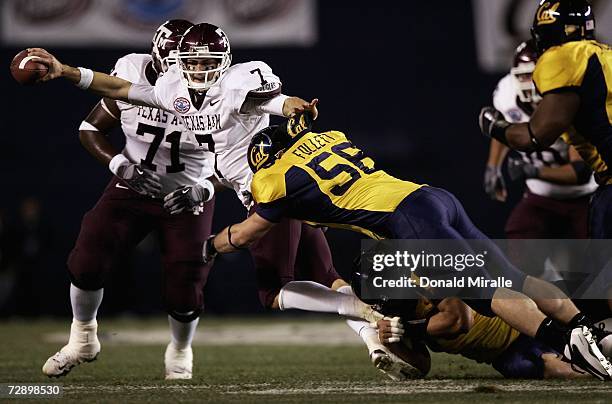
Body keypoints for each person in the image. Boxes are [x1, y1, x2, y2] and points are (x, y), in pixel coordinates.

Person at [27, 24, 402, 379]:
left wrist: (291, 106)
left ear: (223, 62)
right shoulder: (174, 90)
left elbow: (270, 100)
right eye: (192, 63)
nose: (200, 70)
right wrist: (65, 71)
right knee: (324, 274)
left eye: (207, 63)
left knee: (271, 290)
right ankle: (374, 334)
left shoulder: (238, 82)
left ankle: (371, 307)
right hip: (272, 190)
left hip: (273, 194)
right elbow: (124, 90)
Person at [203, 111, 611, 380]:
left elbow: (246, 234)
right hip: (432, 198)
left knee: (488, 295)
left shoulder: (271, 178)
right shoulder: (328, 138)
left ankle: (569, 343)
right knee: (516, 279)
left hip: (408, 221)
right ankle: (585, 330)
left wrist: (212, 245)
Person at [41, 20, 218, 380]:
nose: (191, 76)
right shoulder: (133, 72)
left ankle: (181, 349)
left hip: (187, 195)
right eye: (183, 67)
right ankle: (82, 338)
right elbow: (90, 128)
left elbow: (236, 161)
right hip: (131, 188)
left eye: (196, 66)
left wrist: (203, 188)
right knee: (88, 255)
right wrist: (121, 165)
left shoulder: (218, 92)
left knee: (186, 281)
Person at [478, 0, 612, 310]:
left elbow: (537, 135)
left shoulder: (563, 59)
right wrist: (493, 165)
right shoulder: (603, 54)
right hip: (575, 188)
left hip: (595, 188)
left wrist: (494, 128)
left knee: (598, 287)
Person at [484, 39, 597, 279]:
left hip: (586, 197)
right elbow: (505, 128)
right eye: (524, 76)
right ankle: (538, 308)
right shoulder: (507, 93)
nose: (530, 84)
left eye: (535, 75)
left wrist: (532, 171)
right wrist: (493, 167)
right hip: (542, 194)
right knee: (521, 243)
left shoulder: (570, 97)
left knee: (587, 274)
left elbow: (580, 171)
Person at [376, 297, 596, 379]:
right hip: (504, 355)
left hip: (524, 323)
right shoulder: (393, 317)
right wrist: (391, 343)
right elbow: (421, 367)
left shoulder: (425, 281)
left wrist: (408, 329)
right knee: (537, 366)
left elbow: (461, 319)